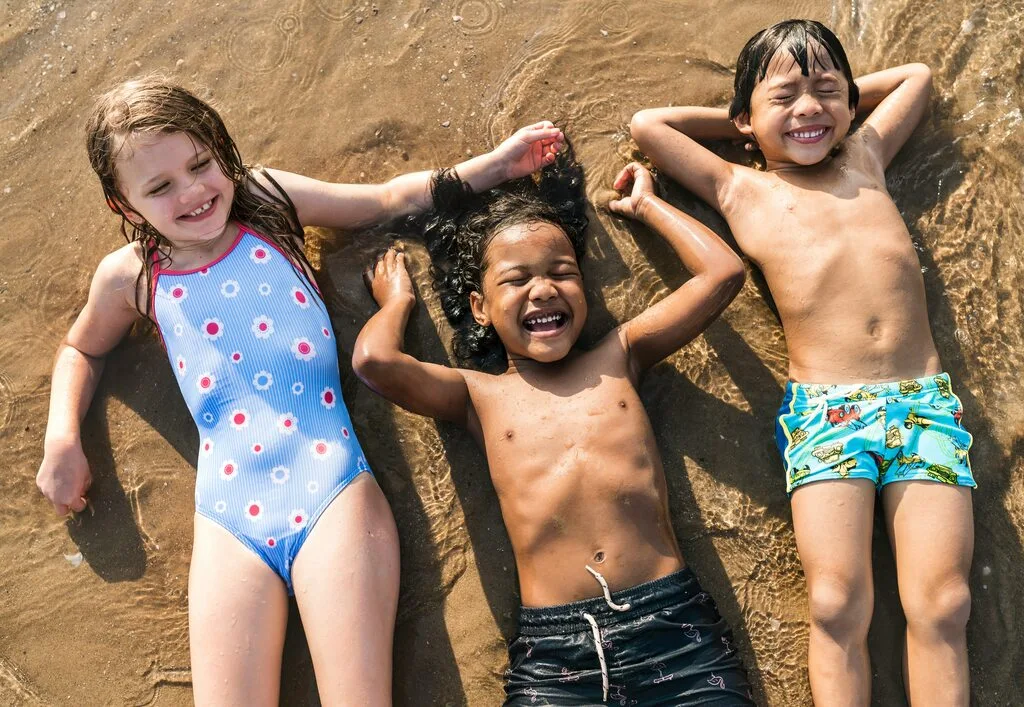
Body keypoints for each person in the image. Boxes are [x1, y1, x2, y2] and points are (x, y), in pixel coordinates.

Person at [34, 76, 564, 706]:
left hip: (331, 488)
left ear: (219, 149)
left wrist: (496, 166)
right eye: (160, 187)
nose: (195, 191)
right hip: (228, 516)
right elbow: (82, 347)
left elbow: (386, 199)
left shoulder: (266, 200)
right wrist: (63, 437)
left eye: (201, 164)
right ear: (125, 207)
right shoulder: (130, 277)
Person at [630, 19, 974, 706]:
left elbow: (917, 78)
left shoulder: (867, 155)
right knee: (836, 600)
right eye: (786, 96)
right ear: (743, 123)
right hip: (827, 412)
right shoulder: (739, 189)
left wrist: (825, 106)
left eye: (826, 92)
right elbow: (649, 125)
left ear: (851, 104)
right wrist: (753, 128)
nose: (809, 108)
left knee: (944, 603)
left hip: (923, 404)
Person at [356, 147, 753, 705]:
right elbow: (375, 362)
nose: (543, 289)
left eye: (562, 273)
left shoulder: (622, 355)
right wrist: (397, 301)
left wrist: (648, 206)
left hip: (674, 631)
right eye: (516, 280)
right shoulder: (478, 395)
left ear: (585, 290)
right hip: (555, 654)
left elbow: (722, 273)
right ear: (479, 307)